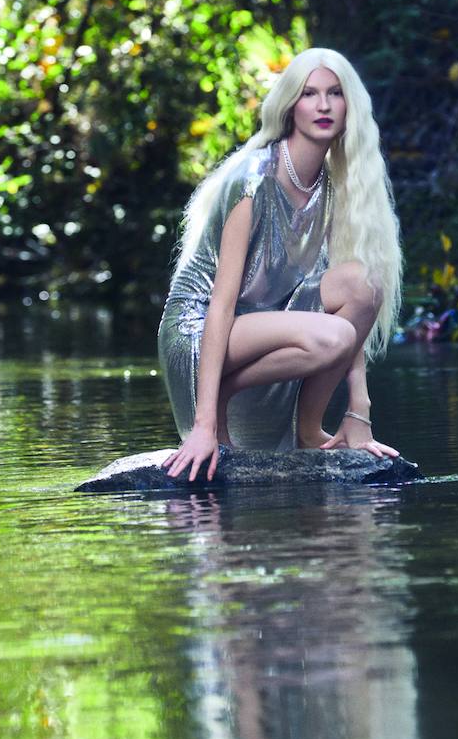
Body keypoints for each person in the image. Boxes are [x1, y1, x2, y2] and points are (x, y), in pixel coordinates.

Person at [157, 48, 402, 481]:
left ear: (351, 105)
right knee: (332, 336)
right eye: (309, 94)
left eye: (334, 93)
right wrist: (204, 425)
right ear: (290, 105)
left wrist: (359, 412)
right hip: (199, 330)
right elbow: (221, 302)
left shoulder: (332, 186)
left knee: (366, 285)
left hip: (266, 319)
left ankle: (309, 432)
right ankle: (223, 396)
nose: (323, 106)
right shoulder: (253, 179)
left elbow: (352, 318)